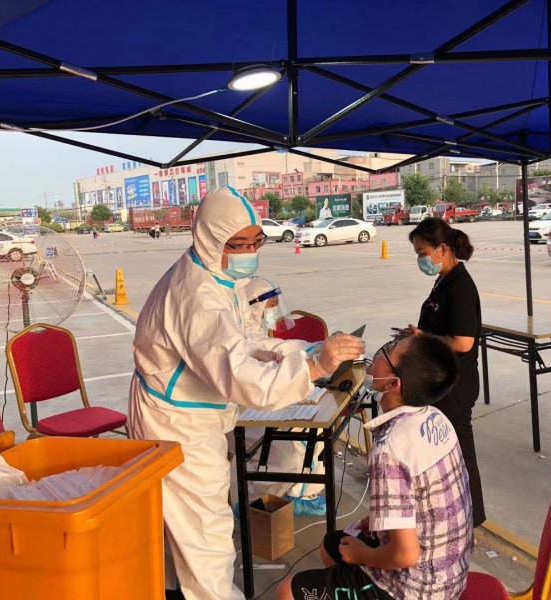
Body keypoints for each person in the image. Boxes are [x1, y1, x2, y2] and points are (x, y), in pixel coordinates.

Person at [128, 186, 364, 600]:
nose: (250, 252)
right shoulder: (196, 296)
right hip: (177, 424)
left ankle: (173, 591)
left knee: (180, 529)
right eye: (239, 244)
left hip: (192, 413)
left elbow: (246, 340)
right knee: (206, 535)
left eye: (257, 242)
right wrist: (313, 368)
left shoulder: (220, 276)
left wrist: (305, 351)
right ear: (210, 238)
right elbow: (240, 374)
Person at [278, 334, 473, 600]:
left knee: (288, 591)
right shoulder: (436, 418)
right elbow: (424, 499)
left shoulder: (390, 449)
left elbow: (405, 554)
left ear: (392, 384)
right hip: (449, 576)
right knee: (333, 544)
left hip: (415, 590)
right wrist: (379, 521)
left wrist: (362, 554)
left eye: (388, 350)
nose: (380, 352)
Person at [406, 217, 486, 527]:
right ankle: (451, 514)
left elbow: (463, 342)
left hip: (456, 384)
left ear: (442, 249)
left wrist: (423, 337)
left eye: (422, 252)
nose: (420, 259)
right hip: (441, 379)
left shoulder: (460, 287)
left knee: (461, 453)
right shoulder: (443, 281)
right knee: (445, 453)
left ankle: (472, 518)